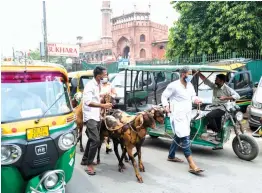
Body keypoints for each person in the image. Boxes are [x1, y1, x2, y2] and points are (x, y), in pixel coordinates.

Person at [161, 67, 204, 174]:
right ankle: (191, 164)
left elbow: (193, 96)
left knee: (179, 136)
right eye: (189, 74)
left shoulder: (190, 85)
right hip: (177, 116)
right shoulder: (174, 85)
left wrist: (196, 99)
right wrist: (166, 105)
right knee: (185, 137)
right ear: (183, 74)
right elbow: (164, 96)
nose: (191, 76)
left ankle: (171, 156)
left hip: (186, 116)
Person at [80, 66, 113, 175]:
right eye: (105, 75)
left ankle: (85, 159)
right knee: (96, 140)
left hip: (97, 116)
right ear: (98, 76)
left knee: (91, 139)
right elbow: (88, 102)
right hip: (90, 117)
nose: (106, 77)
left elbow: (95, 98)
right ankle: (89, 165)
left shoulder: (98, 85)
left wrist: (103, 99)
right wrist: (103, 105)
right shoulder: (90, 85)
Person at [100, 72, 117, 153]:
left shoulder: (111, 85)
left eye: (106, 76)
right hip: (100, 107)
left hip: (109, 107)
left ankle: (109, 142)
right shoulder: (98, 86)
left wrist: (110, 96)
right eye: (103, 76)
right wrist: (102, 95)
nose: (104, 77)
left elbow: (115, 94)